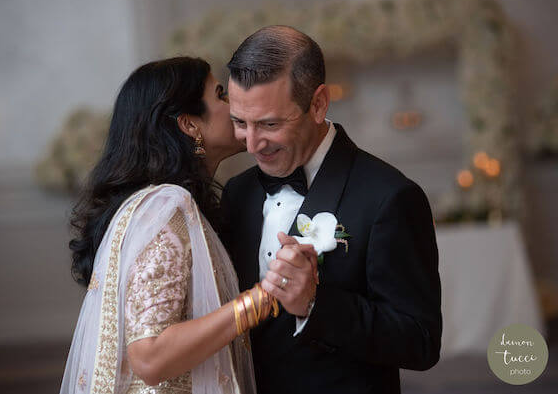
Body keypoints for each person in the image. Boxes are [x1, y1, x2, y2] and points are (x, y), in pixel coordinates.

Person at [221, 25, 443, 393]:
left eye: (269, 124)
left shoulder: (390, 197)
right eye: (240, 123)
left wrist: (315, 303)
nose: (252, 144)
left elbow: (420, 342)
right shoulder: (236, 193)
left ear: (319, 104)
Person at [60, 57, 300, 394]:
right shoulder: (166, 204)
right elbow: (150, 357)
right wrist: (264, 298)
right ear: (189, 124)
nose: (235, 104)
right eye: (220, 95)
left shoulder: (169, 205)